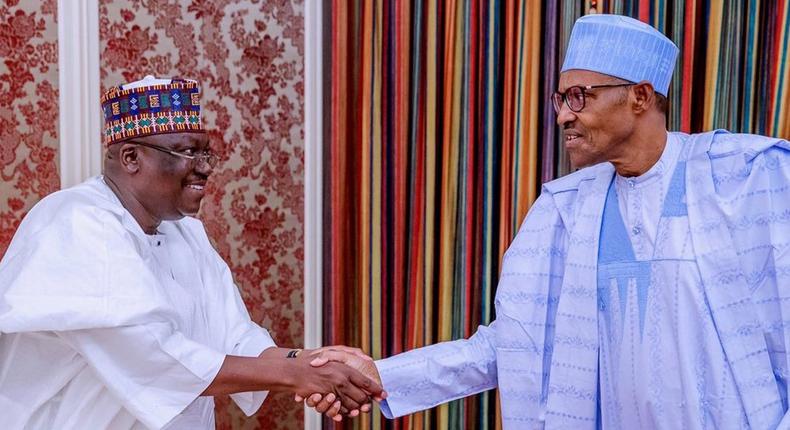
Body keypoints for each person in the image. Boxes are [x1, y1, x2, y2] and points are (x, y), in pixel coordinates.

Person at [303, 14, 790, 429]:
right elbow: (510, 344)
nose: (563, 116)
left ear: (640, 96)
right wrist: (380, 374)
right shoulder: (564, 210)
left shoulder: (746, 177)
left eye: (579, 96)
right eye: (560, 99)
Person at [0, 76, 383, 429]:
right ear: (131, 157)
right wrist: (297, 374)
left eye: (205, 154)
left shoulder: (186, 233)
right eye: (187, 152)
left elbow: (235, 339)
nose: (204, 169)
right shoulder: (77, 223)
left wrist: (310, 361)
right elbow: (154, 356)